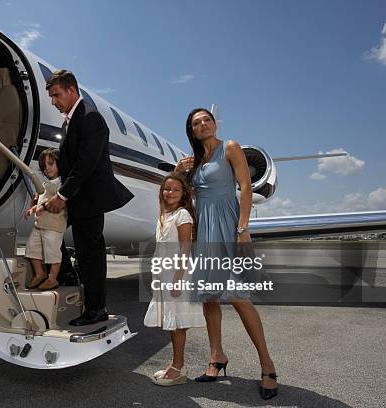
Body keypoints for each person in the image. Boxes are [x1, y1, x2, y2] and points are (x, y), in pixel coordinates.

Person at [175, 108, 278, 400]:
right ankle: (216, 356)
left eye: (206, 120)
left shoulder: (229, 148)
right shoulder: (195, 162)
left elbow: (245, 187)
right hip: (204, 229)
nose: (203, 124)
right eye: (197, 123)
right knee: (209, 297)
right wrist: (178, 170)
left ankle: (267, 367)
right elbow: (176, 193)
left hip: (229, 224)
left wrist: (243, 228)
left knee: (238, 296)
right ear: (192, 131)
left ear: (214, 124)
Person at [44, 69, 134, 326]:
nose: (54, 101)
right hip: (77, 197)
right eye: (51, 96)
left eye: (57, 95)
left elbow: (86, 164)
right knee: (50, 233)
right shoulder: (69, 121)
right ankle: (69, 277)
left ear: (72, 90)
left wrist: (62, 195)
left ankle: (97, 309)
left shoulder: (90, 118)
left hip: (90, 198)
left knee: (90, 253)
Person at [144, 172, 205, 386]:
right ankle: (175, 365)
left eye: (176, 190)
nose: (170, 192)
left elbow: (185, 250)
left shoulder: (182, 215)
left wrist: (178, 278)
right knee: (172, 322)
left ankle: (178, 368)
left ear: (184, 194)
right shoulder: (163, 215)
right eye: (167, 188)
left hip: (177, 274)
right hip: (163, 273)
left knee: (178, 323)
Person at [24, 148, 66, 291]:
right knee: (31, 249)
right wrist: (32, 209)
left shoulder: (62, 185)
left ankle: (52, 278)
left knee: (52, 253)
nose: (47, 168)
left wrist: (42, 207)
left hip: (53, 227)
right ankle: (40, 273)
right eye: (44, 165)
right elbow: (40, 200)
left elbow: (58, 203)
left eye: (50, 164)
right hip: (39, 225)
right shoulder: (45, 185)